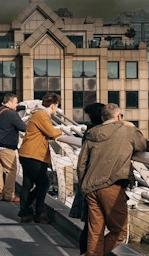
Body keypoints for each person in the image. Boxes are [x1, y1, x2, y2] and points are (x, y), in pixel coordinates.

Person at [77, 103, 146, 256]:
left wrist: (83, 186)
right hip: (112, 186)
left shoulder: (92, 133)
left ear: (102, 118)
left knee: (95, 232)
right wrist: (132, 126)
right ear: (119, 116)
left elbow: (81, 164)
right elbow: (142, 146)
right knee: (119, 231)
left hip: (90, 188)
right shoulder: (127, 131)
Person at [17, 92, 62, 224]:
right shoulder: (41, 115)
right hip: (34, 155)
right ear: (53, 105)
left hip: (27, 153)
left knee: (27, 184)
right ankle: (38, 212)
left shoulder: (37, 114)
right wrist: (61, 131)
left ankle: (25, 213)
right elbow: (52, 133)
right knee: (44, 183)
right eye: (57, 106)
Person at [68, 102, 105, 255]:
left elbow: (82, 163)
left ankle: (85, 251)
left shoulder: (88, 132)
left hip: (88, 181)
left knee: (90, 223)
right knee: (96, 224)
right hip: (99, 182)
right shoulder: (101, 134)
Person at [0, 93, 26, 202]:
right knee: (11, 169)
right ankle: (9, 195)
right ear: (10, 102)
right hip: (5, 146)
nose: (17, 104)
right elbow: (24, 128)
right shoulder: (12, 114)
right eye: (16, 102)